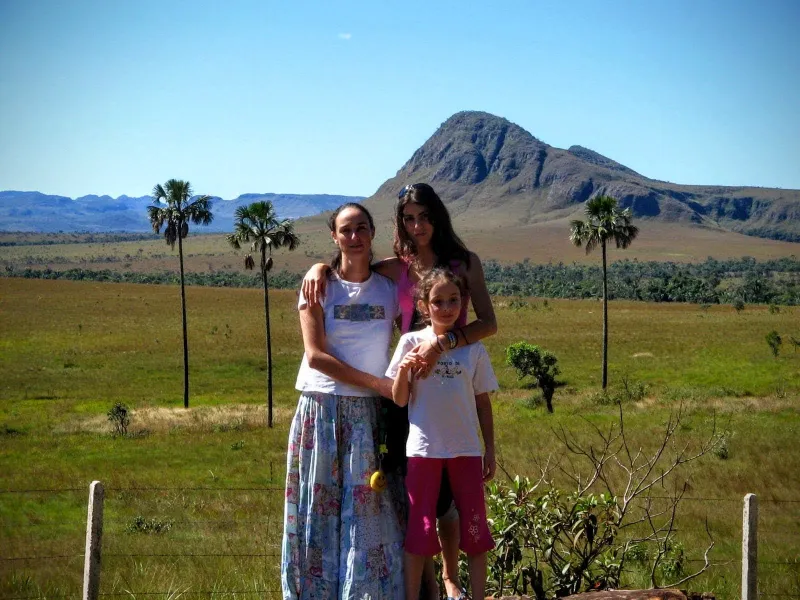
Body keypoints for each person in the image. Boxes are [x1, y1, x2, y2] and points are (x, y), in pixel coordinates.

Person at [302, 182, 498, 600]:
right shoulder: (399, 267)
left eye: (424, 216)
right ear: (400, 224)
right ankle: (427, 585)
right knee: (416, 486)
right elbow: (353, 265)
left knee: (449, 492)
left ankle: (450, 578)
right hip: (406, 386)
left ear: (437, 217)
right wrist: (318, 267)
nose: (417, 225)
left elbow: (488, 323)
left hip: (449, 380)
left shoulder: (465, 263)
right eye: (409, 218)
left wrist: (443, 342)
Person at [281, 202, 405, 600]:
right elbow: (315, 355)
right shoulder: (318, 286)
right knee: (318, 509)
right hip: (322, 409)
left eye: (362, 229)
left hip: (369, 414)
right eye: (346, 230)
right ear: (333, 236)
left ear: (373, 234)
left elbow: (422, 267)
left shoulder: (390, 288)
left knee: (366, 514)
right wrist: (378, 383)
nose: (355, 237)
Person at [386, 267, 497, 600]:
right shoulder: (410, 342)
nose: (447, 308)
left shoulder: (473, 348)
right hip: (423, 450)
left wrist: (489, 449)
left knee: (476, 529)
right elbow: (400, 399)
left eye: (454, 300)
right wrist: (404, 370)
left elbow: (483, 403)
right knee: (419, 530)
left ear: (463, 303)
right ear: (423, 306)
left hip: (465, 449)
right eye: (438, 301)